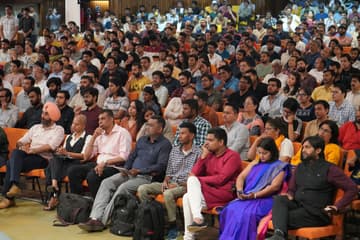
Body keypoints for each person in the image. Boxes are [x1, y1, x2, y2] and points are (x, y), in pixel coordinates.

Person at [78, 116, 172, 232]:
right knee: (107, 182)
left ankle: (101, 221)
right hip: (130, 173)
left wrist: (140, 171)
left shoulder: (165, 144)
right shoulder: (142, 140)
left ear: (160, 129)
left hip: (147, 177)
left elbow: (161, 166)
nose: (147, 127)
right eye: (147, 124)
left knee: (122, 188)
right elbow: (132, 156)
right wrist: (126, 168)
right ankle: (94, 217)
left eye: (151, 125)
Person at [266, 136, 358, 240]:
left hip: (316, 213)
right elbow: (291, 189)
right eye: (303, 147)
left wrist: (337, 206)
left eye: (307, 147)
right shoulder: (300, 167)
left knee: (281, 218)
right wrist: (290, 194)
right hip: (298, 205)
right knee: (279, 200)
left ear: (318, 150)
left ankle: (279, 235)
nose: (303, 150)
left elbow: (352, 188)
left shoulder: (330, 169)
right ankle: (279, 236)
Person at [137, 122, 201, 240]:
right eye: (179, 133)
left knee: (168, 194)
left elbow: (195, 178)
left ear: (191, 136)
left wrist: (176, 185)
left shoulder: (198, 153)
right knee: (142, 189)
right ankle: (155, 220)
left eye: (183, 133)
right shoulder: (175, 150)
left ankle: (173, 226)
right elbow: (169, 171)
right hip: (171, 182)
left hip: (184, 186)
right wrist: (166, 181)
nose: (179, 136)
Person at [219, 137, 290, 240]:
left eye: (265, 153)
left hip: (265, 199)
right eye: (259, 153)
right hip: (248, 197)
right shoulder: (255, 163)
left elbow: (274, 187)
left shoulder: (279, 166)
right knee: (230, 209)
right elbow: (241, 177)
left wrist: (255, 195)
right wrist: (239, 190)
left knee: (246, 214)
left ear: (272, 152)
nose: (261, 156)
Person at [0, 102, 64, 209]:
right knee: (16, 152)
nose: (42, 116)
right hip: (28, 155)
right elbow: (20, 141)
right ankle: (14, 184)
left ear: (53, 117)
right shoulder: (36, 127)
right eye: (43, 113)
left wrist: (33, 150)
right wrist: (22, 146)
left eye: (46, 114)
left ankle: (8, 198)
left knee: (10, 163)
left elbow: (51, 146)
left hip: (43, 158)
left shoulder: (59, 130)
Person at [183, 128, 242, 240]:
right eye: (206, 139)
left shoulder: (232, 156)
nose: (206, 143)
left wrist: (198, 180)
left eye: (210, 140)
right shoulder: (209, 155)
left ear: (221, 142)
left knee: (192, 183)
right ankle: (190, 233)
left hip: (224, 193)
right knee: (187, 197)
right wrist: (203, 157)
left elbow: (221, 179)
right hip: (208, 191)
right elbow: (193, 173)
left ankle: (197, 222)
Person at [68, 110, 132, 198]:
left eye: (103, 118)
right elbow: (87, 156)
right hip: (99, 164)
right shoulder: (100, 134)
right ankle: (78, 203)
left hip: (115, 166)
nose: (100, 121)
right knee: (73, 171)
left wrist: (105, 163)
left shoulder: (122, 133)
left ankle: (97, 204)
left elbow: (124, 157)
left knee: (93, 175)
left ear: (111, 119)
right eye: (99, 119)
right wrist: (94, 137)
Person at [43, 114, 91, 211]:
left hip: (77, 163)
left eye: (77, 124)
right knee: (53, 160)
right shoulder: (69, 136)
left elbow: (83, 156)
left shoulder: (88, 137)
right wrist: (60, 152)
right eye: (73, 123)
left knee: (51, 168)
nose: (73, 126)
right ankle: (55, 188)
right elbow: (64, 152)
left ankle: (54, 195)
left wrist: (67, 153)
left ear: (83, 126)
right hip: (66, 161)